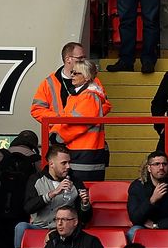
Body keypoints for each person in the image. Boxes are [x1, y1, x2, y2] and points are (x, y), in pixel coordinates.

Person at [31, 54, 112, 182]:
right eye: (72, 72)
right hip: (80, 152)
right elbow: (68, 118)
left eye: (76, 73)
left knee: (83, 192)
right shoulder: (78, 95)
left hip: (85, 154)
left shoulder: (89, 96)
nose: (72, 75)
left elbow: (77, 123)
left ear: (86, 77)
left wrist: (56, 136)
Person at [18, 144, 92, 248]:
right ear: (51, 164)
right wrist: (53, 193)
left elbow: (84, 219)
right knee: (20, 227)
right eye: (64, 163)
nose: (68, 166)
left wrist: (85, 204)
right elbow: (28, 207)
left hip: (64, 229)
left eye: (69, 162)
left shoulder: (76, 182)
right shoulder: (36, 179)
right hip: (39, 226)